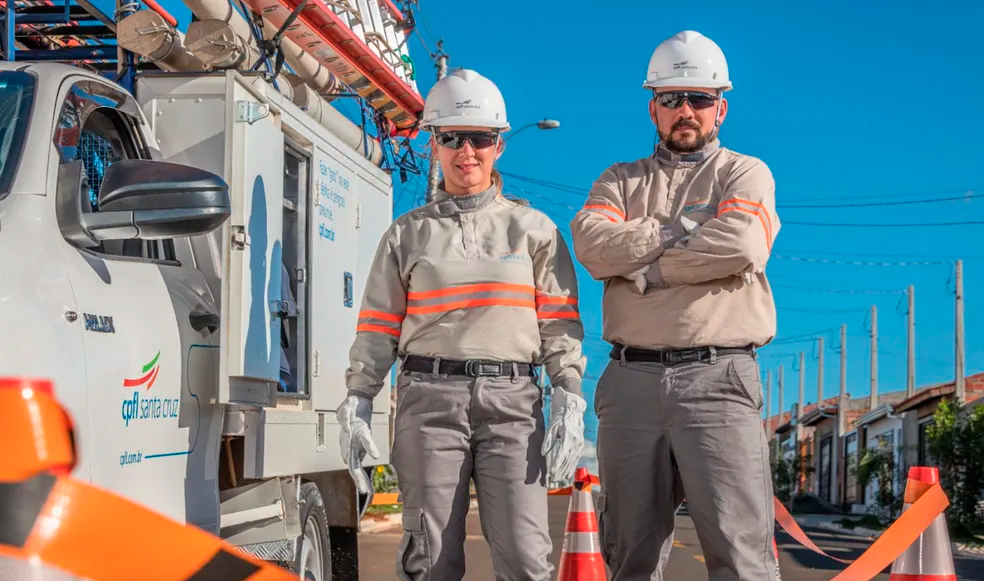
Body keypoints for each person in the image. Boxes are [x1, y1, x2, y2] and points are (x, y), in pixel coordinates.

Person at [336, 68, 588, 581]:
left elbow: (559, 324)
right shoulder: (406, 236)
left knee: (524, 556)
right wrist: (359, 395)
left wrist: (568, 391)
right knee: (431, 559)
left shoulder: (535, 231)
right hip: (429, 402)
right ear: (434, 144)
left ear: (499, 145)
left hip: (513, 404)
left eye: (479, 138)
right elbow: (378, 326)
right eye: (451, 137)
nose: (466, 151)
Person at [569, 30, 782, 581]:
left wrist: (648, 269)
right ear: (653, 108)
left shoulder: (744, 172)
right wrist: (683, 230)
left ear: (721, 108)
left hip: (719, 381)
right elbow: (591, 246)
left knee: (740, 558)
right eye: (671, 99)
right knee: (629, 559)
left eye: (699, 99)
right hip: (630, 382)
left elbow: (740, 244)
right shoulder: (618, 179)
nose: (685, 110)